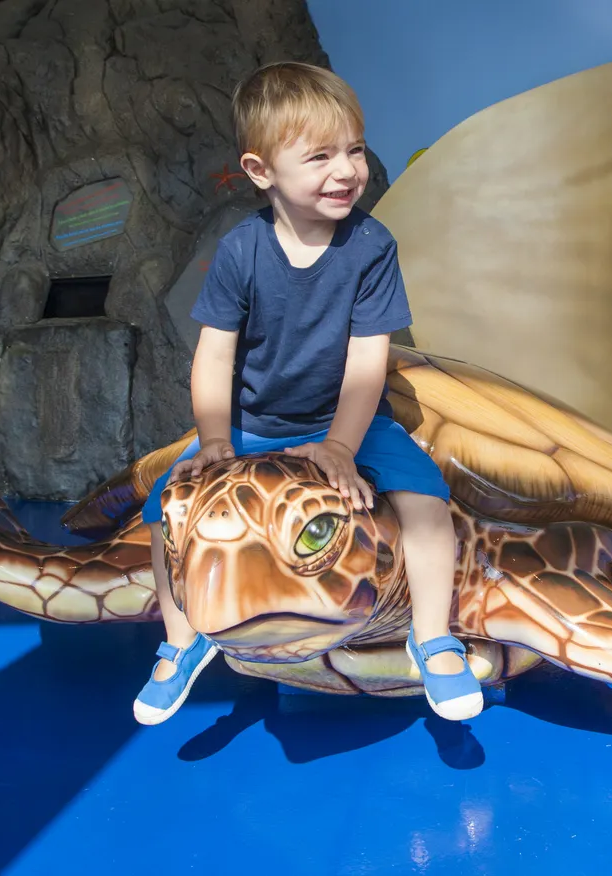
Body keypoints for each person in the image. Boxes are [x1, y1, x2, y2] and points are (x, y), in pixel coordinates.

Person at [132, 61, 482, 726]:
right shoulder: (241, 250)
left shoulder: (371, 246)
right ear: (260, 170)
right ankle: (181, 641)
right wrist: (214, 438)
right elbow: (214, 354)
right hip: (254, 422)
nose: (345, 170)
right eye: (320, 156)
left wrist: (342, 447)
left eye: (354, 149)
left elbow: (368, 358)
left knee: (427, 501)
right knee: (162, 511)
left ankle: (434, 638)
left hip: (348, 419)